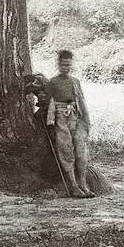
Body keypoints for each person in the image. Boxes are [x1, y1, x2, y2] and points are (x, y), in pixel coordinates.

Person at [45, 50, 95, 198]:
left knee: (81, 152)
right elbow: (47, 100)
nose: (65, 67)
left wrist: (86, 121)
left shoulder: (75, 81)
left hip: (75, 116)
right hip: (60, 118)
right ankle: (73, 186)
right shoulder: (53, 82)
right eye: (62, 64)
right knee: (66, 151)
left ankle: (83, 184)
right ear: (58, 64)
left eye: (68, 65)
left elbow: (82, 101)